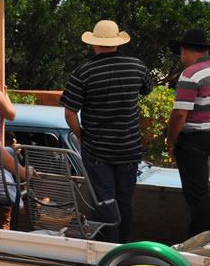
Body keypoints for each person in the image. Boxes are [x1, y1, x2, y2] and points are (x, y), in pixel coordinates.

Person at [60, 20, 153, 243]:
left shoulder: (83, 71)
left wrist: (80, 134)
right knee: (125, 200)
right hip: (129, 147)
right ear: (117, 42)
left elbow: (70, 113)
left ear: (94, 43)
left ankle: (108, 246)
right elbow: (147, 88)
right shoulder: (137, 66)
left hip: (97, 149)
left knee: (105, 201)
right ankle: (122, 245)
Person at [166, 29, 210, 237]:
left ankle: (201, 241)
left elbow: (180, 114)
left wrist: (171, 141)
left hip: (195, 140)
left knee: (197, 195)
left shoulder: (190, 74)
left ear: (184, 51)